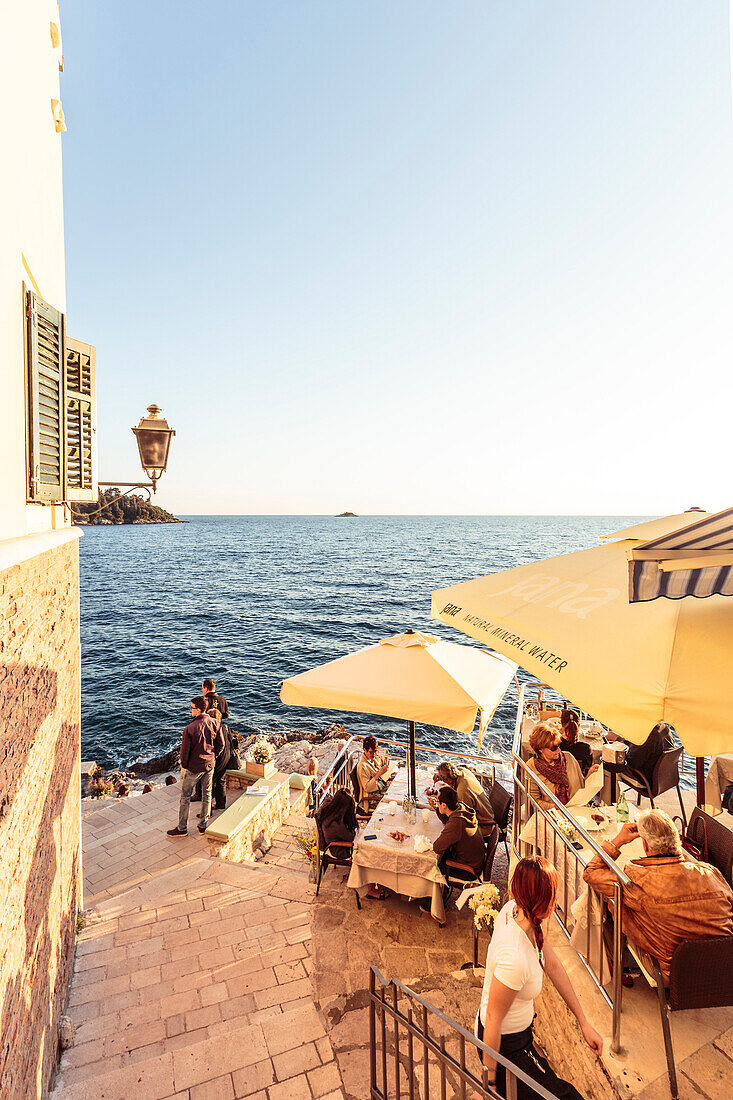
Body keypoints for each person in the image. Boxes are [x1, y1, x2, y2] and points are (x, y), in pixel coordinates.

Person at [477, 856, 603, 1099]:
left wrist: (583, 1022)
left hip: (519, 1038)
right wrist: (490, 1081)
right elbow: (493, 1019)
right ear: (545, 904)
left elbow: (553, 965)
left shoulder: (515, 910)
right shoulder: (515, 958)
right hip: (505, 1050)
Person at [583, 808, 733, 981]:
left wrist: (618, 841)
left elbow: (591, 872)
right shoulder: (710, 872)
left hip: (675, 975)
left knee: (612, 898)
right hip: (722, 970)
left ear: (645, 845)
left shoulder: (637, 880)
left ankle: (619, 963)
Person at [167, 697, 224, 836]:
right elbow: (220, 744)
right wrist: (213, 757)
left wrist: (186, 766)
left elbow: (184, 752)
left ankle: (182, 828)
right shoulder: (215, 723)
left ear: (198, 710)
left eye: (192, 707)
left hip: (195, 767)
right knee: (207, 794)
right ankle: (203, 825)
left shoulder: (189, 728)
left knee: (185, 796)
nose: (190, 710)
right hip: (210, 764)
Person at [526, 722, 599, 810]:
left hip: (578, 809)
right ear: (540, 749)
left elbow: (580, 784)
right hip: (554, 813)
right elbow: (535, 800)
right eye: (553, 748)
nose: (558, 750)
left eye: (558, 745)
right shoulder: (531, 766)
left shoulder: (568, 757)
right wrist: (556, 808)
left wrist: (589, 774)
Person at [432, 787, 486, 880]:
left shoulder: (456, 824)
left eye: (437, 801)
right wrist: (436, 808)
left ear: (444, 805)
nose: (436, 803)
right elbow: (448, 820)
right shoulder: (461, 808)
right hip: (476, 860)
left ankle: (434, 893)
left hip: (468, 870)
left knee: (433, 865)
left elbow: (437, 847)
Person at [606, 721, 674, 790]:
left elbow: (632, 763)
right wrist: (620, 739)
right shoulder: (664, 728)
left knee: (606, 767)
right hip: (665, 779)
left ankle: (608, 800)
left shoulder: (647, 735)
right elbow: (645, 748)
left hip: (645, 780)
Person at [433, 761, 495, 836]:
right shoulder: (462, 770)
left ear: (449, 780)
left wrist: (436, 808)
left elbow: (458, 819)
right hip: (486, 812)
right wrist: (440, 776)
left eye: (441, 778)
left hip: (483, 825)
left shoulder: (462, 792)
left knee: (446, 832)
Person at [356, 735, 390, 811]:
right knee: (391, 801)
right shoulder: (362, 766)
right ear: (365, 750)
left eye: (375, 751)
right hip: (370, 799)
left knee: (395, 793)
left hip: (379, 791)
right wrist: (379, 774)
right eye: (371, 752)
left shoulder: (372, 760)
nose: (374, 755)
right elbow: (367, 788)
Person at [559, 709, 593, 776]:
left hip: (560, 781)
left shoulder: (556, 745)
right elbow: (588, 769)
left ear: (561, 724)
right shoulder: (585, 748)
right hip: (579, 782)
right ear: (579, 725)